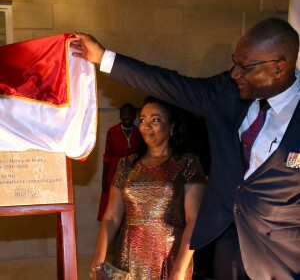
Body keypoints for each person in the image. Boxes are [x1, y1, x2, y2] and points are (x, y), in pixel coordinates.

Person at [71, 17, 300, 280]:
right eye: (234, 62)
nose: (235, 73)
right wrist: (104, 57)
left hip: (284, 258)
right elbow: (169, 84)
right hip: (228, 250)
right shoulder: (226, 92)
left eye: (245, 67)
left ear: (279, 68)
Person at [89, 96, 206, 280]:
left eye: (156, 120)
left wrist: (178, 271)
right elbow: (111, 218)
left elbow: (194, 220)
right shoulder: (126, 165)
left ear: (172, 126)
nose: (146, 125)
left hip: (170, 260)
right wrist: (97, 263)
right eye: (142, 120)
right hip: (127, 260)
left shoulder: (187, 163)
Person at [97, 103, 142, 221]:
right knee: (113, 201)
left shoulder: (139, 133)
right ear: (120, 116)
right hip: (114, 171)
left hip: (133, 173)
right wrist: (104, 178)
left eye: (131, 114)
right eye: (124, 114)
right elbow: (107, 155)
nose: (127, 117)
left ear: (135, 116)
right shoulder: (112, 131)